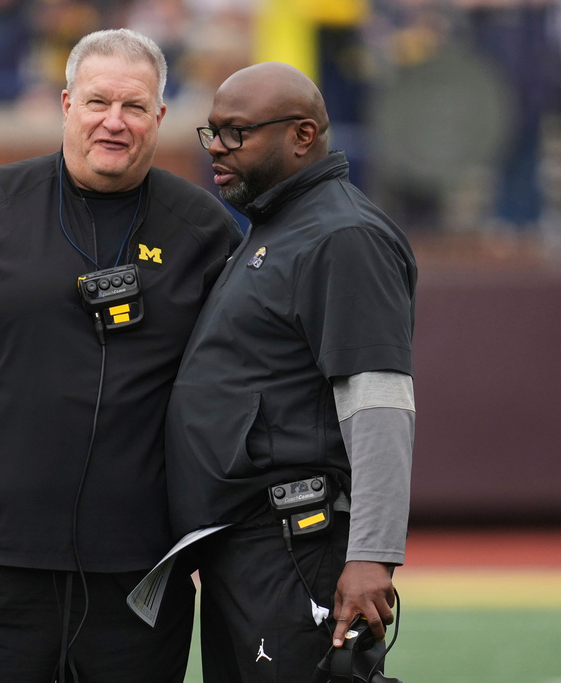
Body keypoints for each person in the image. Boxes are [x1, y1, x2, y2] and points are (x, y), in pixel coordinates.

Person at [0, 28, 241, 683]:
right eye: (97, 102)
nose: (114, 122)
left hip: (138, 577)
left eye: (134, 107)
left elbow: (238, 392)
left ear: (161, 117)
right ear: (66, 104)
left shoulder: (205, 230)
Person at [165, 62, 417, 682]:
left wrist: (372, 557)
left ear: (302, 135)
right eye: (211, 133)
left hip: (297, 544)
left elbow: (378, 402)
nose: (217, 150)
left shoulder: (344, 235)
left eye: (236, 133)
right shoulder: (278, 227)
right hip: (252, 544)